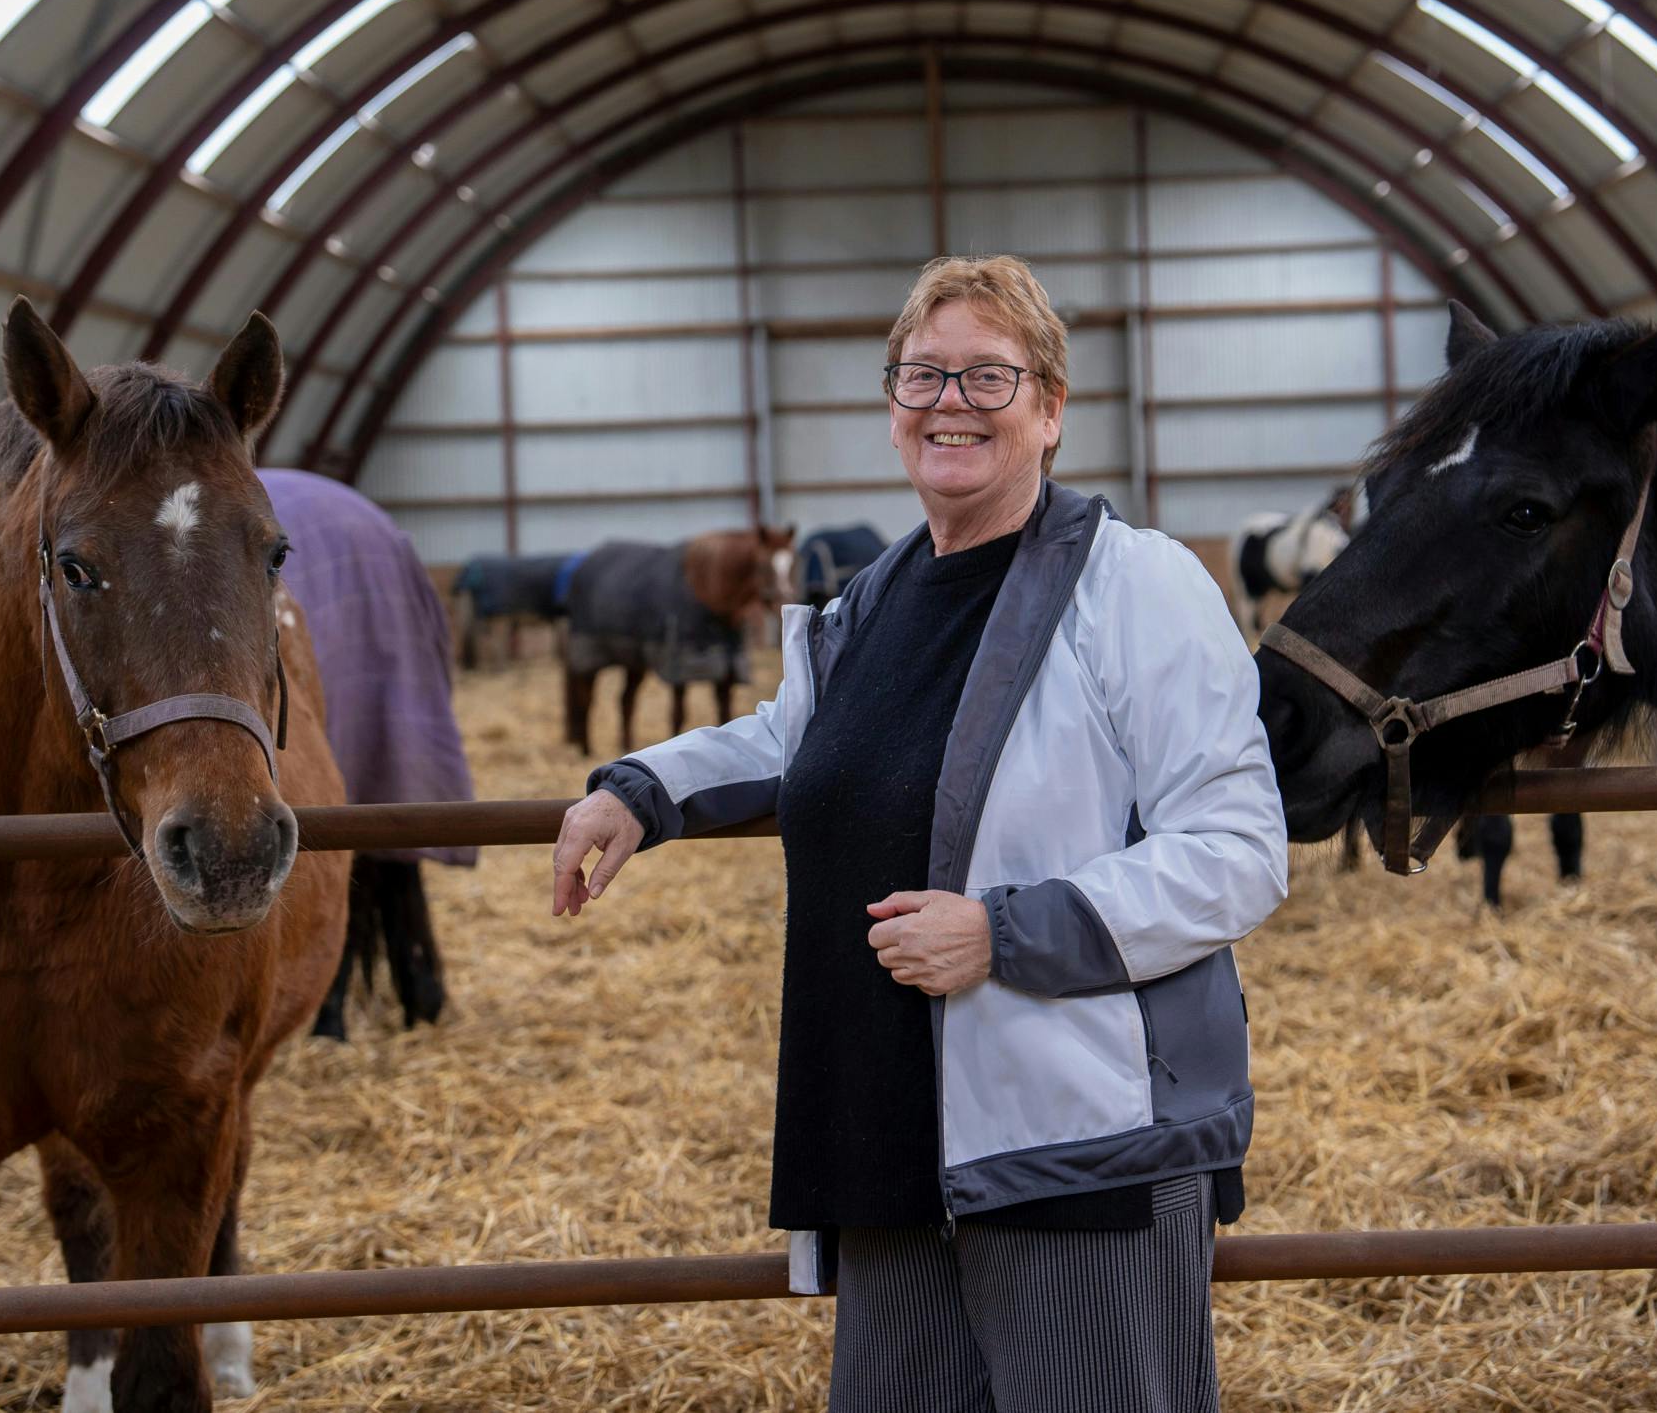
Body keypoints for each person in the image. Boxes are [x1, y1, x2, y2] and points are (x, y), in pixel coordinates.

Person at [551, 255, 1287, 1413]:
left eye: (989, 376)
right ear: (892, 409)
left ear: (1051, 408)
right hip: (888, 1135)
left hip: (1073, 1147)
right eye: (923, 373)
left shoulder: (1132, 583)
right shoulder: (872, 600)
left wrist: (1006, 933)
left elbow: (1239, 847)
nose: (950, 400)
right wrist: (638, 786)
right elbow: (793, 738)